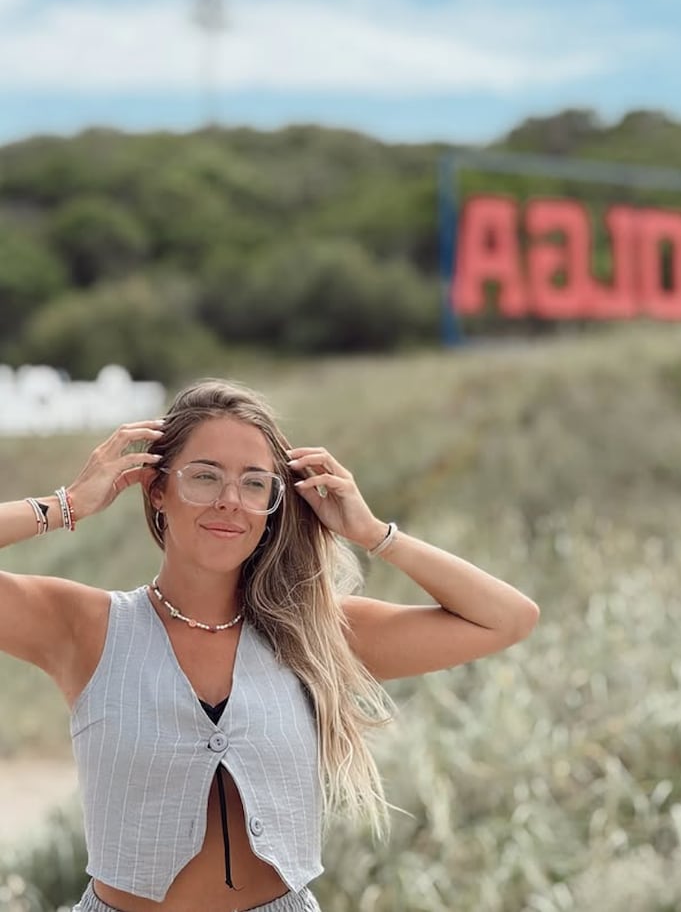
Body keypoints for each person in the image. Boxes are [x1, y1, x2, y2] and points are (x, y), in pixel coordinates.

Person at [0, 378, 539, 912]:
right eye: (205, 477)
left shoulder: (316, 632)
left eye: (255, 483)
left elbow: (508, 619)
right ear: (156, 489)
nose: (230, 501)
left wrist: (373, 533)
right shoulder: (84, 627)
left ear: (273, 504)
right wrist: (65, 504)